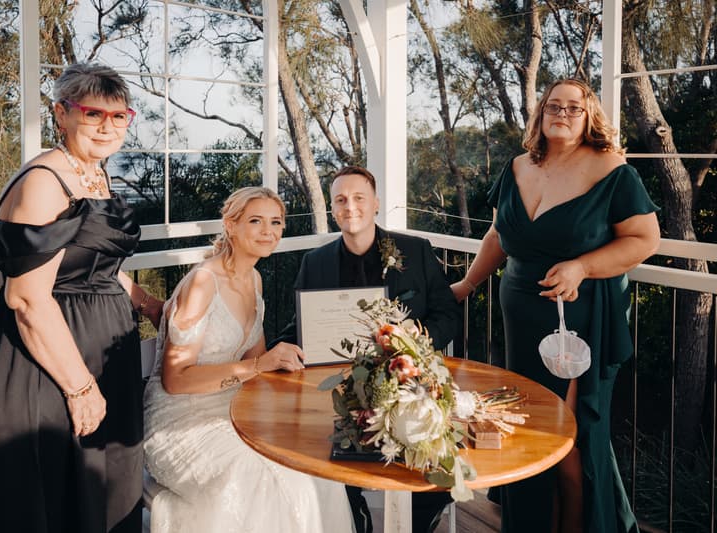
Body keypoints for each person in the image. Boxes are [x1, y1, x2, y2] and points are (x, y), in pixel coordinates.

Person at [450, 78, 660, 533]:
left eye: (574, 108)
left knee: (569, 434)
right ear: (541, 113)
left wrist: (582, 267)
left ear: (589, 119)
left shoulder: (611, 169)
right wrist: (466, 284)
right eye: (553, 106)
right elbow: (498, 235)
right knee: (524, 425)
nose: (562, 113)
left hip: (575, 322)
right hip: (520, 316)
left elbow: (645, 239)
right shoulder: (518, 166)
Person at [0, 63, 163, 533]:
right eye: (93, 114)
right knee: (55, 493)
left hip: (99, 350)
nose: (107, 127)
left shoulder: (93, 174)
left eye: (119, 116)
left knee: (103, 485)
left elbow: (97, 263)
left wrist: (147, 302)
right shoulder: (42, 183)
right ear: (61, 114)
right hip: (48, 359)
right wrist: (79, 388)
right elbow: (28, 300)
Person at [143, 186, 354, 533]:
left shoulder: (254, 279)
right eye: (256, 221)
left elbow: (258, 362)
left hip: (234, 408)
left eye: (276, 222)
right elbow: (176, 380)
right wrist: (259, 366)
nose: (268, 231)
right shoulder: (202, 283)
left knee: (318, 466)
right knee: (271, 481)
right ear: (230, 225)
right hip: (179, 418)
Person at [272, 165, 462, 533]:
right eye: (341, 200)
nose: (350, 206)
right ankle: (354, 513)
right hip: (338, 386)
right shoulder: (315, 262)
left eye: (359, 198)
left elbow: (447, 314)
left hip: (410, 381)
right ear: (332, 209)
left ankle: (419, 521)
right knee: (316, 450)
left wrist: (414, 340)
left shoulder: (416, 251)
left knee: (436, 462)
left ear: (375, 203)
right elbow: (299, 326)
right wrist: (285, 348)